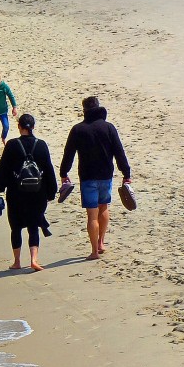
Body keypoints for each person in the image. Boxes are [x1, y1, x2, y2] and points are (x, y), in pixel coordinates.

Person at [59, 96, 133, 260]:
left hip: (87, 177)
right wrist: (126, 174)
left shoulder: (78, 130)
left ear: (84, 111)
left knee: (92, 215)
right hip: (106, 175)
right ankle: (101, 243)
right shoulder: (108, 128)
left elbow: (68, 154)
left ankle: (94, 252)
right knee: (104, 207)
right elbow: (119, 152)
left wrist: (64, 173)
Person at [0, 113, 57, 270]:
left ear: (19, 127)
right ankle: (34, 259)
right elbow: (48, 169)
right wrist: (51, 192)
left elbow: (3, 169)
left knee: (16, 227)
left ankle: (17, 262)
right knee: (34, 226)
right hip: (38, 193)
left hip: (16, 193)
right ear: (33, 127)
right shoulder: (41, 145)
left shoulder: (12, 145)